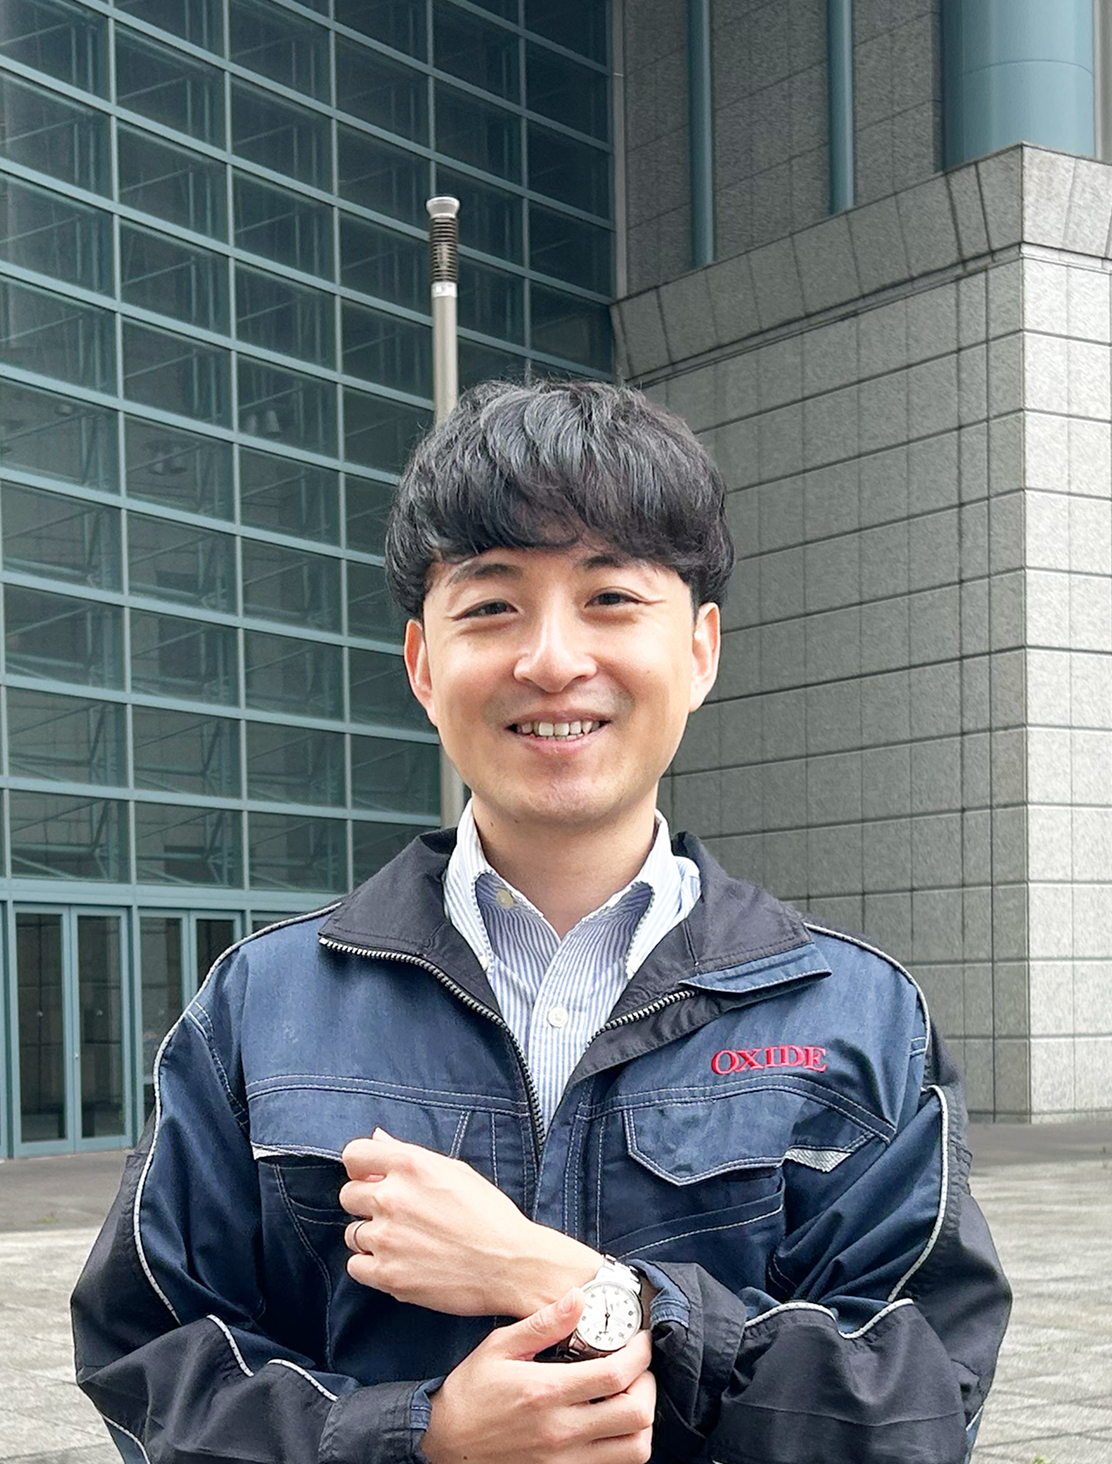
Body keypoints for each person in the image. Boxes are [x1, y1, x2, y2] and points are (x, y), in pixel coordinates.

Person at [72, 379, 1010, 1464]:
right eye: (491, 606)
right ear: (424, 665)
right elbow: (153, 1365)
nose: (553, 660)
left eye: (609, 597)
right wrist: (417, 1438)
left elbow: (911, 1408)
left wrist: (561, 1278)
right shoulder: (263, 1004)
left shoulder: (852, 1013)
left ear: (699, 651)